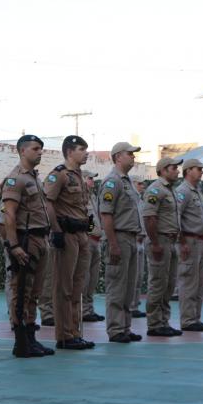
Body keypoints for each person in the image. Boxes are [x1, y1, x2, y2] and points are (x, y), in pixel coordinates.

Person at [0, 134, 54, 357]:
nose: (40, 152)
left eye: (41, 148)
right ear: (22, 151)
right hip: (25, 239)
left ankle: (31, 337)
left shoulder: (34, 178)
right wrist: (14, 246)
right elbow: (9, 215)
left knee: (34, 292)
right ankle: (21, 340)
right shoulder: (16, 179)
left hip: (40, 239)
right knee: (21, 291)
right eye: (35, 148)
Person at [43, 135, 95, 350]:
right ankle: (64, 335)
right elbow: (47, 202)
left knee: (77, 287)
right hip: (66, 234)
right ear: (69, 151)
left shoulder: (79, 176)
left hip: (81, 234)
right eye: (82, 149)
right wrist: (56, 231)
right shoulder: (59, 175)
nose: (86, 153)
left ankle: (74, 332)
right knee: (63, 287)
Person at [100, 142, 144, 343]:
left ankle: (125, 327)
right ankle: (116, 329)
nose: (133, 157)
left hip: (131, 238)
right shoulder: (112, 181)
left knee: (128, 287)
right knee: (117, 286)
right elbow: (106, 215)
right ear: (118, 156)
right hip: (119, 237)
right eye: (130, 154)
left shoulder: (126, 182)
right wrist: (113, 243)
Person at [141, 157, 183, 337]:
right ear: (164, 170)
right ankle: (154, 323)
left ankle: (164, 321)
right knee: (158, 283)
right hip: (160, 240)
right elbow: (150, 218)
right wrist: (155, 243)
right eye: (174, 168)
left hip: (171, 241)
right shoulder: (156, 189)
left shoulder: (170, 190)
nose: (177, 171)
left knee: (169, 284)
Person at [174, 159, 203, 331]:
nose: (202, 172)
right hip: (189, 240)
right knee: (189, 281)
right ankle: (188, 320)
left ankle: (195, 318)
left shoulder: (197, 192)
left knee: (199, 283)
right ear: (188, 171)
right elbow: (176, 218)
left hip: (201, 241)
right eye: (199, 169)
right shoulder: (183, 191)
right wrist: (181, 241)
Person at [82, 170, 104, 323]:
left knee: (93, 278)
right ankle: (83, 310)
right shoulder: (79, 197)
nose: (92, 181)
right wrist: (89, 233)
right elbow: (86, 219)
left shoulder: (93, 197)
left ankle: (89, 308)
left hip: (96, 240)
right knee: (85, 277)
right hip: (87, 239)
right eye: (90, 178)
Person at [130, 176, 147, 318]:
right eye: (140, 183)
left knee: (139, 277)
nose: (143, 186)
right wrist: (92, 231)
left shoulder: (141, 200)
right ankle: (129, 305)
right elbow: (94, 219)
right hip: (132, 239)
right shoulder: (129, 199)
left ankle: (134, 305)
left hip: (142, 241)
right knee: (132, 277)